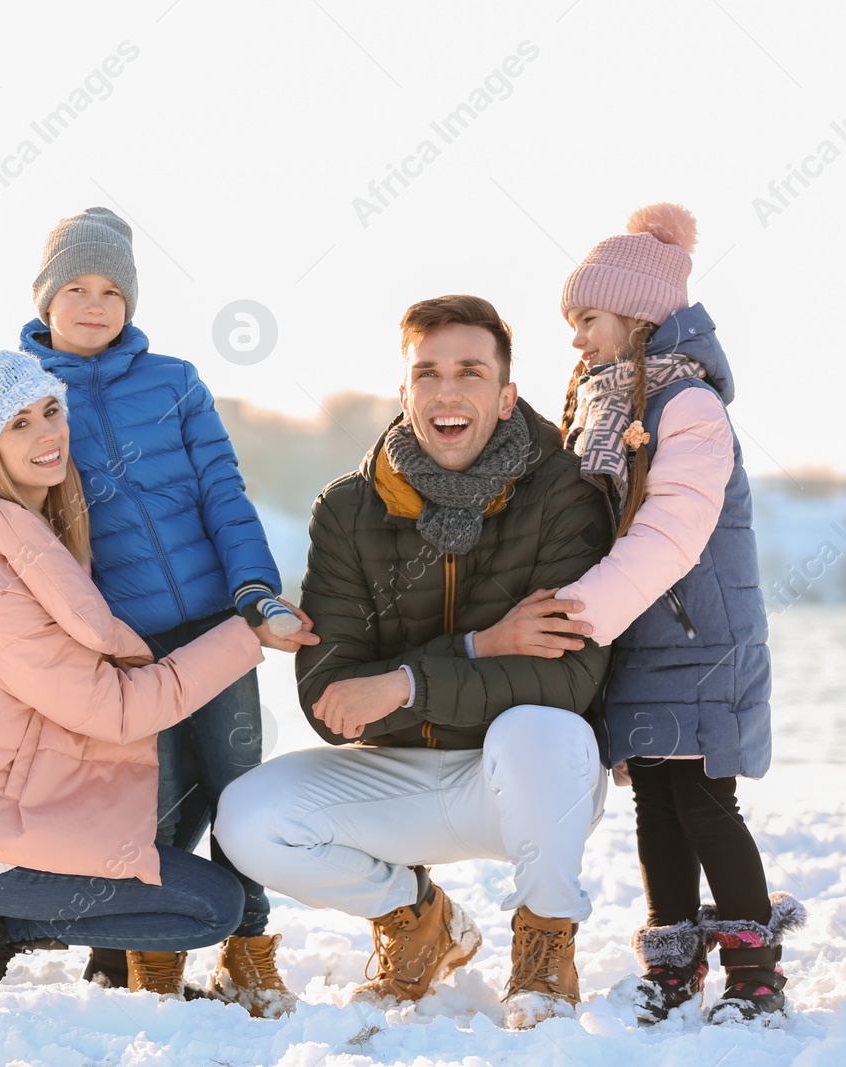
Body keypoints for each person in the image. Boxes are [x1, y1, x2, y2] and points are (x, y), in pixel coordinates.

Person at [0, 208, 310, 1015]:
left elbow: (225, 492)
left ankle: (251, 949)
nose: (95, 304)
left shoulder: (175, 382)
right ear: (45, 298)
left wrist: (254, 593)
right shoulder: (21, 390)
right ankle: (136, 954)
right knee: (140, 799)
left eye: (113, 289)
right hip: (118, 640)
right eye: (77, 287)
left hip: (211, 622)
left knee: (233, 786)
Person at [215, 294, 616, 1029]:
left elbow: (568, 678)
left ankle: (544, 950)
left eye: (470, 370)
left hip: (526, 783)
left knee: (545, 729)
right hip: (394, 777)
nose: (447, 390)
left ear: (505, 397)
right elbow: (332, 701)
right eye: (427, 373)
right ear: (404, 394)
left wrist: (401, 680)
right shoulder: (347, 508)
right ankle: (420, 920)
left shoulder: (566, 492)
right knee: (247, 817)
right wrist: (480, 647)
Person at [537, 203, 802, 1023]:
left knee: (704, 801)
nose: (576, 338)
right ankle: (675, 954)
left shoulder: (688, 407)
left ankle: (756, 966)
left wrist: (581, 614)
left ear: (638, 315)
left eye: (588, 318)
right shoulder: (602, 407)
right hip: (639, 641)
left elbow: (671, 532)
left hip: (701, 639)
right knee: (655, 796)